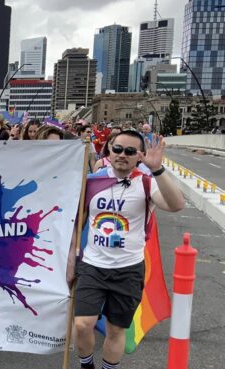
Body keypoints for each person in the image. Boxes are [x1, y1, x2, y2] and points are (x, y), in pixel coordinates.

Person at [73, 131, 184, 369]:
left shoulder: (146, 183)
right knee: (83, 324)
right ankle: (86, 365)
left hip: (128, 270)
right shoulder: (92, 182)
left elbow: (176, 205)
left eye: (130, 151)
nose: (122, 155)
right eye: (118, 149)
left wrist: (157, 170)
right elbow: (75, 225)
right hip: (93, 266)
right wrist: (72, 262)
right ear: (109, 150)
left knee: (116, 329)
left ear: (139, 156)